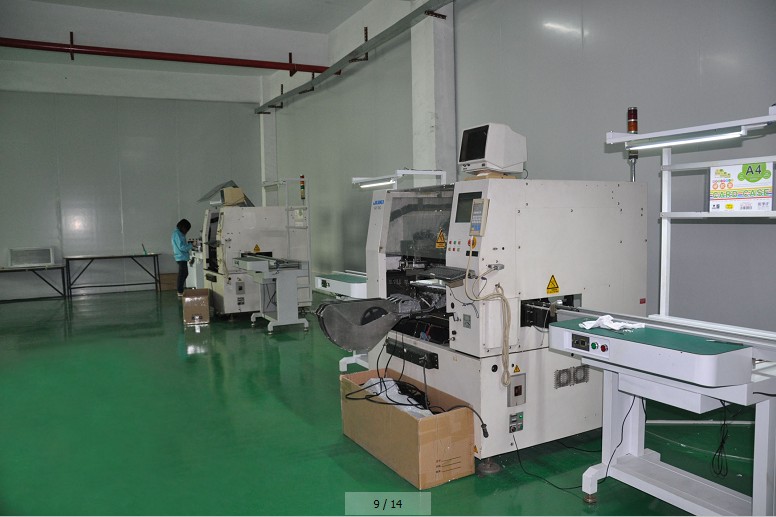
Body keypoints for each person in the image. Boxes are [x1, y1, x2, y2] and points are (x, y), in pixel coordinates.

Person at [172, 219, 193, 297]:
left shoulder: (177, 233)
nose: (186, 232)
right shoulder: (178, 234)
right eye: (186, 229)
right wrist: (191, 245)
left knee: (184, 273)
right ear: (183, 227)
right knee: (182, 275)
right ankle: (180, 291)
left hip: (181, 257)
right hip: (181, 257)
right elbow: (182, 247)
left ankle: (180, 290)